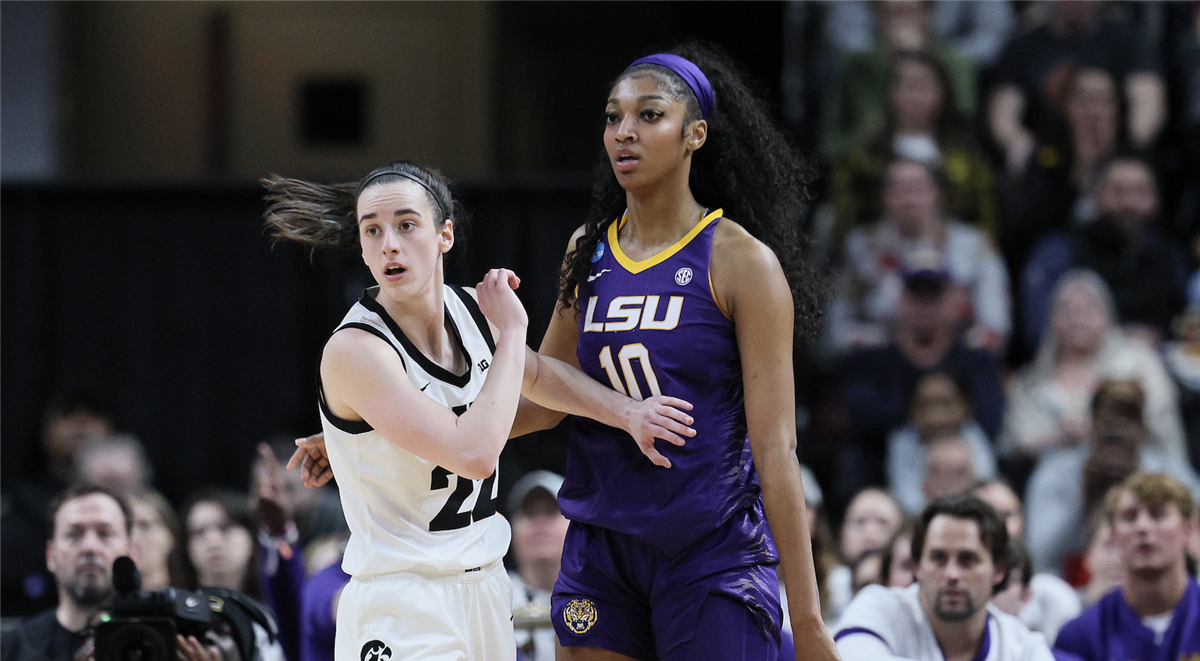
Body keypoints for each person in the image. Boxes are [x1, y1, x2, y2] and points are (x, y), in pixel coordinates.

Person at [265, 160, 697, 661]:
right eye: (373, 230)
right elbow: (473, 453)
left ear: (444, 234)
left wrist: (629, 414)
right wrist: (513, 332)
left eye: (407, 225)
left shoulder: (471, 312)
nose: (389, 244)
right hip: (402, 601)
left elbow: (541, 390)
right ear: (361, 247)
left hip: (487, 591)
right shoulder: (356, 351)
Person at [512, 43, 837, 659]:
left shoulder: (742, 262)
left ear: (695, 135)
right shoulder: (588, 251)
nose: (624, 133)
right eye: (613, 117)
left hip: (710, 550)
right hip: (600, 550)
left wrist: (810, 620)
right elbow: (544, 397)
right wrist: (386, 434)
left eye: (649, 115)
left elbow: (776, 448)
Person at [0, 484, 217, 661]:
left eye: (105, 534)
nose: (90, 547)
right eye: (73, 535)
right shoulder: (12, 648)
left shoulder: (170, 641)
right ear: (50, 554)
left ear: (131, 551)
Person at [834, 494, 1053, 660]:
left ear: (999, 571)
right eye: (938, 558)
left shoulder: (1025, 649)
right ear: (918, 566)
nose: (952, 574)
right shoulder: (877, 609)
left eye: (968, 560)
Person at [1001, 270, 1187, 465]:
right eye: (1066, 309)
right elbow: (1017, 443)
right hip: (1059, 476)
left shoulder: (1138, 360)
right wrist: (1060, 436)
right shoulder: (1032, 381)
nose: (1077, 317)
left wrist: (1103, 425)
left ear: (1108, 314)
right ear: (1052, 319)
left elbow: (1160, 417)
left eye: (1088, 308)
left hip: (1142, 467)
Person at [827, 159, 1010, 355]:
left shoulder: (976, 245)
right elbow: (836, 333)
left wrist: (944, 350)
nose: (908, 198)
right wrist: (894, 343)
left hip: (961, 361)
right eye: (898, 189)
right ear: (884, 197)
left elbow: (995, 329)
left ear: (938, 193)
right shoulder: (861, 246)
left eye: (917, 188)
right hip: (881, 362)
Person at [1023, 380, 1200, 579]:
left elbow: (1194, 541)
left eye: (1127, 419)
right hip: (1072, 589)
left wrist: (1140, 488)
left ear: (1142, 428)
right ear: (1092, 424)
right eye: (1107, 419)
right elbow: (1039, 558)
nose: (1116, 429)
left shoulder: (1168, 474)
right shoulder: (1057, 473)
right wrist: (1084, 496)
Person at [828, 51, 998, 249]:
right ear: (889, 92)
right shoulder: (864, 159)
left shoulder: (968, 160)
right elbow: (842, 222)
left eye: (923, 85)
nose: (914, 94)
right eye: (905, 85)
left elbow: (987, 223)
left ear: (943, 92)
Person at [1022, 156, 1188, 349]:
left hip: (1162, 367)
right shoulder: (1061, 249)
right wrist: (1117, 339)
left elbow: (1188, 322)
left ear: (1157, 200)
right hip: (1081, 367)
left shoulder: (1171, 254)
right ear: (1095, 196)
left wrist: (1162, 338)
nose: (1129, 203)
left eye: (1141, 192)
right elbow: (1038, 331)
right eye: (1118, 191)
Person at [988, 0, 1165, 177]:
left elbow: (1147, 99)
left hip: (1112, 153)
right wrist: (1018, 143)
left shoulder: (1127, 42)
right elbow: (1003, 111)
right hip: (1048, 155)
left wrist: (1130, 149)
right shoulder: (1022, 49)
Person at [1054, 473, 1199, 658]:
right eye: (1130, 517)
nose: (1143, 527)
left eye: (1157, 514)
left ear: (1189, 530)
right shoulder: (1080, 637)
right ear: (1114, 536)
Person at [969, 479, 1082, 642]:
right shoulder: (953, 587)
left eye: (1007, 515)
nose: (999, 525)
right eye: (987, 516)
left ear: (1022, 521)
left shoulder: (1055, 598)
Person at [887, 369, 996, 516]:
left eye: (945, 403)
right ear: (910, 409)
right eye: (925, 404)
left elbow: (986, 484)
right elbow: (906, 499)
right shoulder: (902, 441)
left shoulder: (974, 436)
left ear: (966, 406)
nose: (936, 415)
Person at [506, 470, 568, 661]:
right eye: (529, 514)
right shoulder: (490, 595)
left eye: (551, 512)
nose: (540, 524)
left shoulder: (600, 594)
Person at [127, 488, 186, 591]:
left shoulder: (192, 603)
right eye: (127, 527)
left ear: (170, 536)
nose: (134, 538)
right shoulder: (103, 604)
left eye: (144, 526)